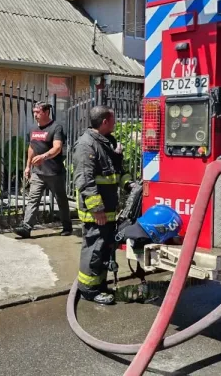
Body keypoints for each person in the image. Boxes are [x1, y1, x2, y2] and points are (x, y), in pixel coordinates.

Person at [72, 105, 125, 305]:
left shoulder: (106, 142)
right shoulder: (86, 145)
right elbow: (84, 180)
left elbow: (113, 172)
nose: (115, 122)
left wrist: (127, 182)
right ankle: (88, 290)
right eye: (113, 119)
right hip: (96, 212)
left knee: (103, 248)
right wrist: (97, 209)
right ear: (105, 122)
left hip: (108, 210)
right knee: (94, 249)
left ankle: (99, 285)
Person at [16, 101, 73, 238]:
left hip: (54, 173)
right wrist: (28, 166)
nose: (35, 114)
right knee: (33, 199)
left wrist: (44, 156)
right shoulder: (33, 129)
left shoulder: (56, 128)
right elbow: (31, 148)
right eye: (34, 111)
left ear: (46, 112)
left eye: (38, 112)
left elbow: (57, 147)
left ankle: (67, 226)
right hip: (38, 172)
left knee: (61, 200)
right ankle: (26, 227)